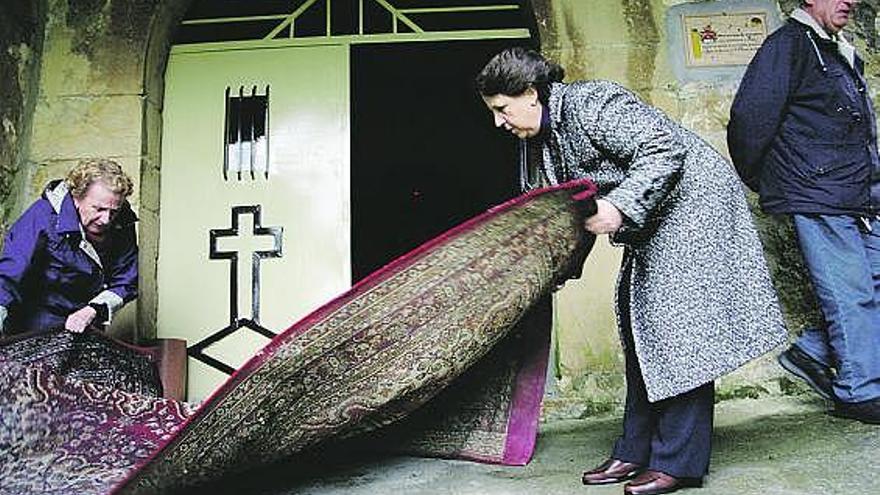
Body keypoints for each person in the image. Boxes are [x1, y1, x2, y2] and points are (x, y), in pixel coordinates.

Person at [476, 47, 787, 495]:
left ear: (529, 93)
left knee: (678, 328)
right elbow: (564, 212)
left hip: (695, 206)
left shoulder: (593, 103)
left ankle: (677, 462)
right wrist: (556, 270)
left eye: (502, 109)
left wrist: (620, 206)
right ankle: (634, 449)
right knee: (639, 319)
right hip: (656, 217)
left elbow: (664, 149)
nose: (499, 122)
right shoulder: (540, 145)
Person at [728, 0, 880, 424]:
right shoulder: (789, 45)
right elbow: (747, 121)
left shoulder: (834, 46)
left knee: (869, 285)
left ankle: (813, 350)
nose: (849, 0)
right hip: (819, 193)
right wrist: (773, 180)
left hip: (858, 192)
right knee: (850, 292)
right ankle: (859, 392)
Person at [0, 158, 137, 337]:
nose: (106, 219)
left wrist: (93, 310)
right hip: (35, 325)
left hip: (86, 321)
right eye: (98, 209)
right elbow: (10, 273)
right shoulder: (41, 216)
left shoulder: (122, 220)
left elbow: (127, 280)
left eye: (113, 211)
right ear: (76, 198)